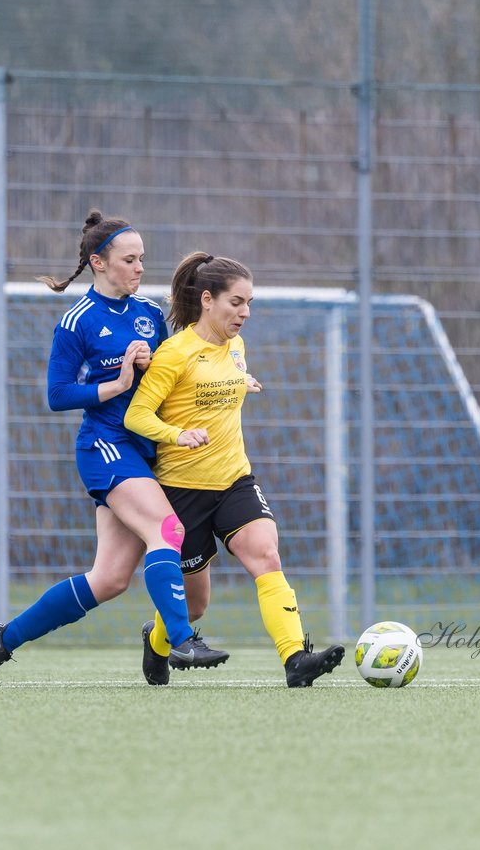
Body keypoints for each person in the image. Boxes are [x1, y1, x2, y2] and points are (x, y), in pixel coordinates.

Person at [0, 210, 229, 687]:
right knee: (166, 529)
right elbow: (57, 394)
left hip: (147, 450)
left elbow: (176, 377)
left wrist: (222, 379)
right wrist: (117, 383)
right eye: (129, 260)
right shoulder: (78, 321)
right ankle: (180, 640)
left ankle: (2, 640)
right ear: (99, 262)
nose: (138, 268)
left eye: (142, 259)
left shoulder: (150, 314)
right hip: (106, 447)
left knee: (108, 579)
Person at [124, 251, 345, 688]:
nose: (245, 313)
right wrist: (176, 434)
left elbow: (221, 376)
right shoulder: (174, 353)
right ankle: (158, 641)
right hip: (183, 489)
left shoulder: (236, 347)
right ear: (208, 300)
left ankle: (295, 659)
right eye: (236, 303)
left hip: (234, 480)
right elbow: (137, 416)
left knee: (266, 554)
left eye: (249, 304)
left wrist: (242, 382)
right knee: (194, 606)